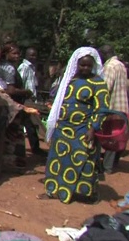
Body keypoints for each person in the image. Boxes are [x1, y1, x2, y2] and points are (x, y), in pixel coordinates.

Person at [40, 47, 110, 203]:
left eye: (88, 66)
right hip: (63, 128)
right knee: (57, 159)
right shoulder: (69, 81)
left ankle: (84, 194)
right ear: (76, 64)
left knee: (81, 159)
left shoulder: (98, 83)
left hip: (83, 129)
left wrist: (93, 128)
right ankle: (53, 190)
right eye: (82, 65)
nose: (85, 68)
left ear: (93, 65)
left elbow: (102, 109)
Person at [0, 42, 32, 167]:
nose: (17, 56)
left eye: (18, 53)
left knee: (0, 134)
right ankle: (13, 163)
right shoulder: (10, 68)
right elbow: (11, 90)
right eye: (14, 53)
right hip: (11, 107)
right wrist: (27, 91)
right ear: (6, 54)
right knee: (13, 135)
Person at [98, 45, 129, 174]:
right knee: (116, 136)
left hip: (112, 107)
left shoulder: (110, 66)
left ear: (105, 54)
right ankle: (112, 163)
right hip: (121, 106)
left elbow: (105, 88)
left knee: (110, 137)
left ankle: (107, 167)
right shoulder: (120, 65)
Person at [18, 47, 46, 156]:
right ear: (26, 55)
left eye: (35, 55)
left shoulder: (31, 68)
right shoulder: (24, 68)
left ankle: (35, 147)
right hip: (26, 100)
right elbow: (21, 83)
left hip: (31, 100)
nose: (33, 57)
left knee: (31, 125)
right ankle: (35, 147)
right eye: (31, 55)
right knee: (31, 124)